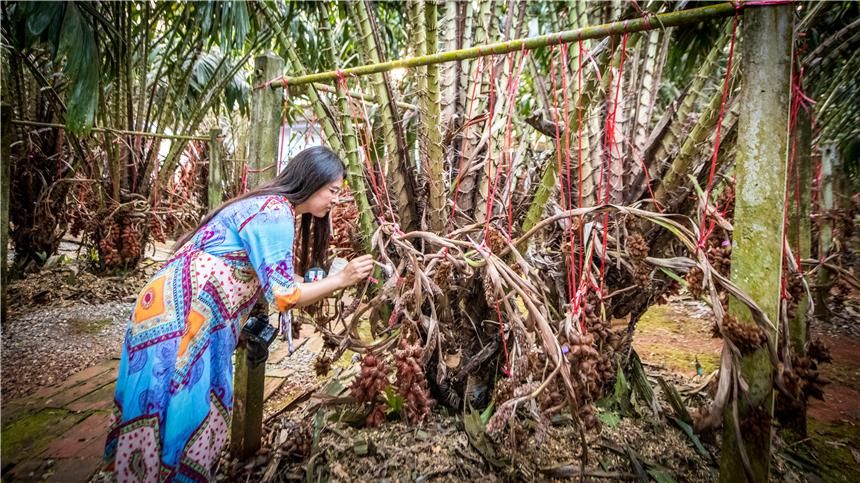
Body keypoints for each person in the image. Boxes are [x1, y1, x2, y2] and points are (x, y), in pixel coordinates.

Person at [103, 146, 373, 482]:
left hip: (178, 310)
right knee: (182, 402)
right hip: (183, 314)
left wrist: (331, 278)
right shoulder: (276, 213)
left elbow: (278, 276)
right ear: (312, 181)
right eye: (333, 190)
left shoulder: (273, 206)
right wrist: (340, 280)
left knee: (165, 399)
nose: (335, 200)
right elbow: (285, 296)